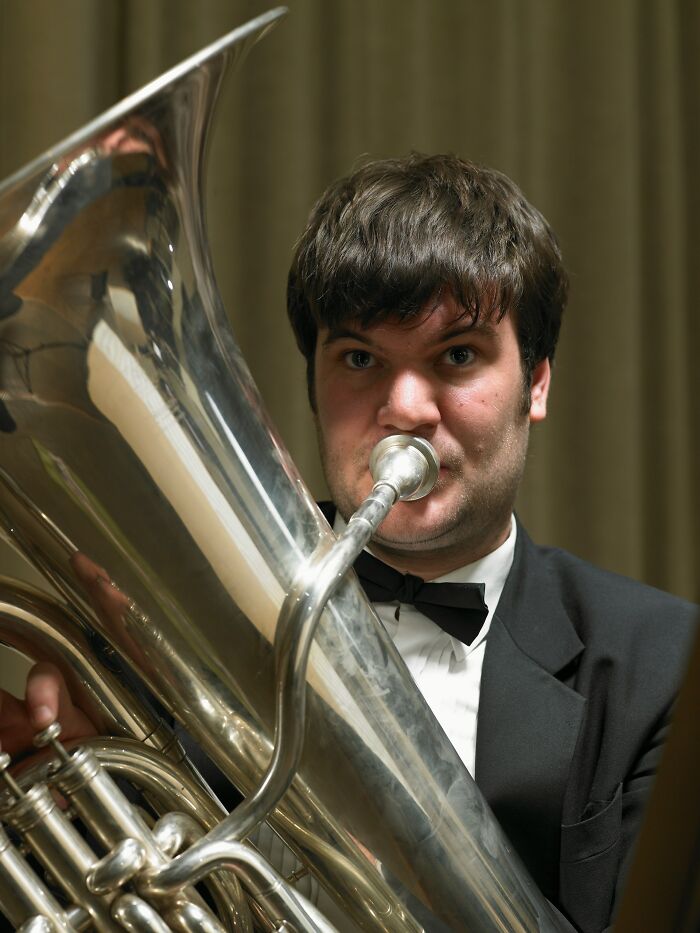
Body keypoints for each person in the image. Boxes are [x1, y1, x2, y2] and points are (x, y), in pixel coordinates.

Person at [1, 153, 696, 932]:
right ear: (315, 387)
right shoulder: (163, 641)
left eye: (458, 355)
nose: (404, 406)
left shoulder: (662, 664)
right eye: (361, 359)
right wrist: (74, 809)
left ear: (536, 382)